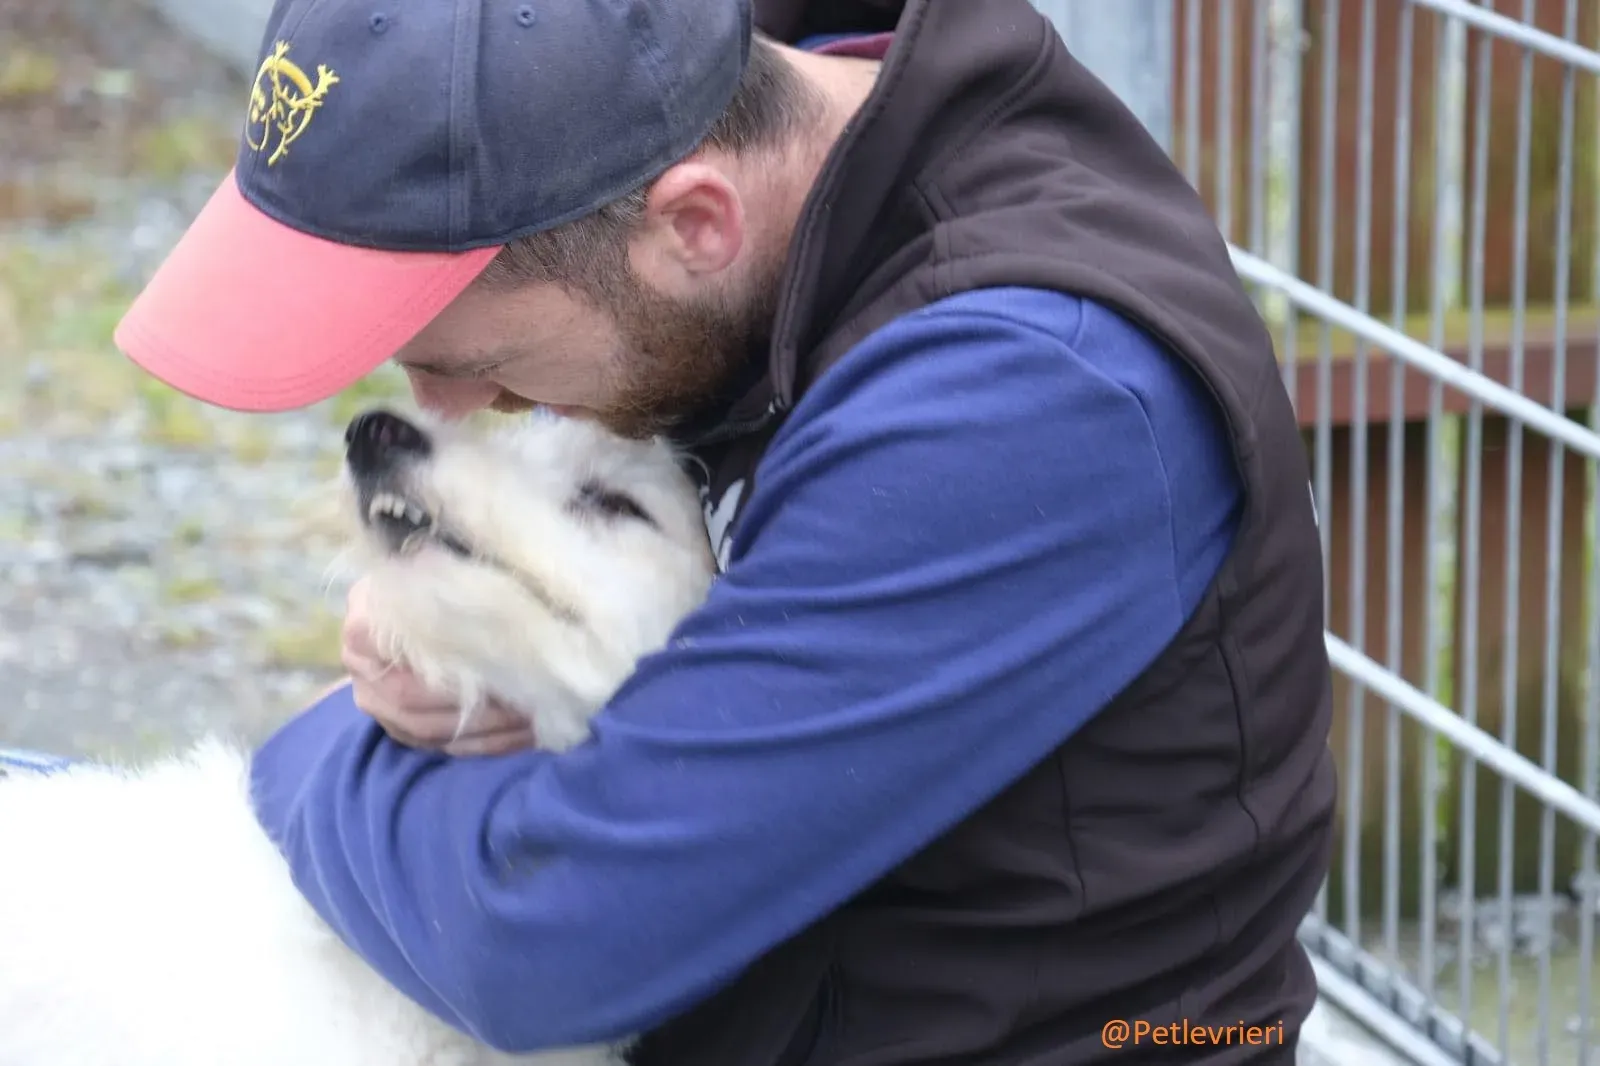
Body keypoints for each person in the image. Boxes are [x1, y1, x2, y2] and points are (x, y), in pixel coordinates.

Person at [114, 0, 1336, 1062]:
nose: (444, 410)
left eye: (471, 358)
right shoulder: (707, 118)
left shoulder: (1025, 403)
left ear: (694, 226)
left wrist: (311, 760)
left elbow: (544, 936)